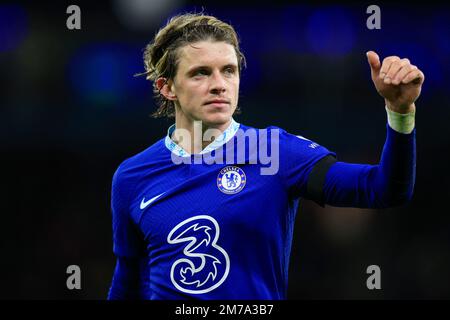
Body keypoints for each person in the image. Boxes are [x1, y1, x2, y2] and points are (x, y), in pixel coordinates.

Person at [107, 12, 424, 300]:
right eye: (201, 73)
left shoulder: (276, 152)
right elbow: (126, 281)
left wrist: (400, 113)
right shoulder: (132, 177)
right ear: (167, 87)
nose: (219, 85)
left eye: (228, 71)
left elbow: (384, 189)